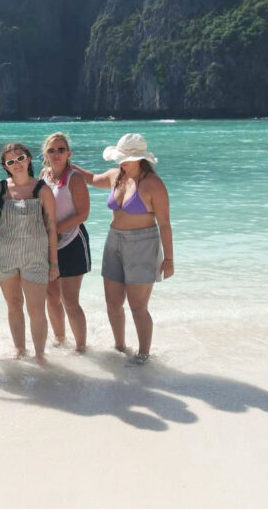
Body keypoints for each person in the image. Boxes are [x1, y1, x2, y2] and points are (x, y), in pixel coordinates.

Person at [79, 133, 173, 365]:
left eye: (125, 159)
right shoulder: (115, 176)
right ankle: (120, 347)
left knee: (138, 307)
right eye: (119, 158)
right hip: (114, 241)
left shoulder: (153, 184)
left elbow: (164, 223)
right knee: (113, 304)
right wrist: (64, 164)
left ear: (140, 159)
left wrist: (169, 259)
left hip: (143, 244)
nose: (121, 163)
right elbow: (91, 179)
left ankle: (143, 356)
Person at [0, 142, 59, 363]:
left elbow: (52, 227)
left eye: (20, 158)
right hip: (4, 254)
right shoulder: (0, 189)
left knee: (37, 310)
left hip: (35, 256)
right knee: (13, 305)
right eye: (11, 161)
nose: (17, 164)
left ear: (28, 159)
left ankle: (40, 356)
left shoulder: (43, 189)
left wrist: (54, 263)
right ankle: (19, 351)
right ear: (5, 166)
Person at [39, 132, 90, 352]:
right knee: (51, 297)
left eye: (61, 149)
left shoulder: (74, 178)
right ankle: (60, 340)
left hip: (73, 241)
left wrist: (55, 230)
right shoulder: (44, 175)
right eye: (51, 150)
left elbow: (83, 214)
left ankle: (81, 348)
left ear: (69, 153)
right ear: (45, 154)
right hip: (49, 243)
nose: (56, 154)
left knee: (70, 300)